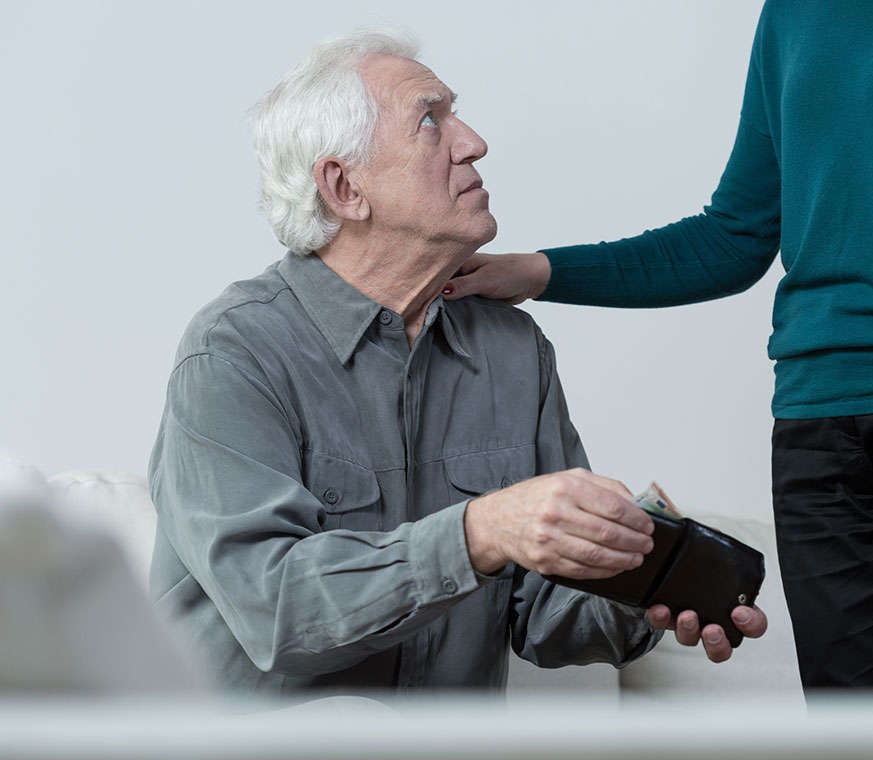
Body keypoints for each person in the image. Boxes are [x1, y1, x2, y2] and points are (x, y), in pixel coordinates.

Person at [444, 0, 873, 691]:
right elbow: (735, 236)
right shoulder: (792, 13)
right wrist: (539, 271)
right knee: (848, 734)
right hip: (816, 433)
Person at [147, 31, 766, 694]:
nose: (472, 141)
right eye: (430, 121)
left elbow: (544, 616)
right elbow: (272, 612)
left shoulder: (513, 351)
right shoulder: (236, 351)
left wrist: (637, 584)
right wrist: (483, 531)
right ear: (345, 186)